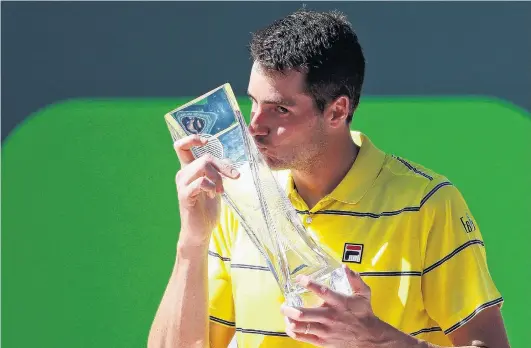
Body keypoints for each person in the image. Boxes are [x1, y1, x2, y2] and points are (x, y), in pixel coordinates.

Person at [148, 9, 510, 348]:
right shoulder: (234, 198)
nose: (254, 127)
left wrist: (375, 339)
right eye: (254, 103)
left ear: (337, 111)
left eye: (280, 109)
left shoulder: (427, 203)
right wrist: (192, 240)